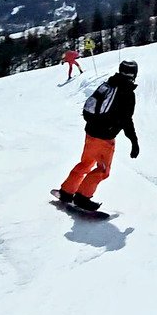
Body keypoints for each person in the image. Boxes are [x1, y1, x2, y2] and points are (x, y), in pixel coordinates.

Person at [58, 59, 140, 211]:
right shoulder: (127, 93)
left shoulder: (109, 85)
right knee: (103, 170)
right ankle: (82, 197)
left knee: (86, 163)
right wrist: (134, 142)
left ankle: (67, 191)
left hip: (90, 134)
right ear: (134, 74)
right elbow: (126, 121)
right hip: (105, 138)